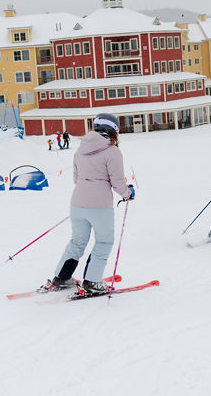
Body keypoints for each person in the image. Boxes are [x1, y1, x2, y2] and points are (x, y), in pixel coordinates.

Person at [45, 113, 134, 295]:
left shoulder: (80, 149)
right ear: (113, 131)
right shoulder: (112, 151)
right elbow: (117, 183)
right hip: (100, 206)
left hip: (77, 203)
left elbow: (76, 178)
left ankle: (61, 278)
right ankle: (92, 281)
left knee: (77, 241)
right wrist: (128, 193)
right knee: (104, 241)